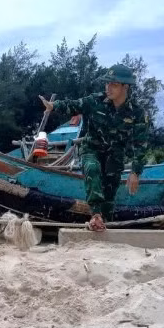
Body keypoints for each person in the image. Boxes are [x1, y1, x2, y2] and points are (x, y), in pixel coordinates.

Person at [39, 64, 150, 232]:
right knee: (92, 168)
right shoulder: (95, 101)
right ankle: (95, 215)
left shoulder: (137, 112)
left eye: (113, 84)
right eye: (107, 83)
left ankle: (103, 223)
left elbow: (141, 144)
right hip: (92, 149)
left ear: (125, 87)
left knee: (109, 195)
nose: (108, 88)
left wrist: (135, 172)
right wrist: (54, 106)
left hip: (115, 155)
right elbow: (74, 105)